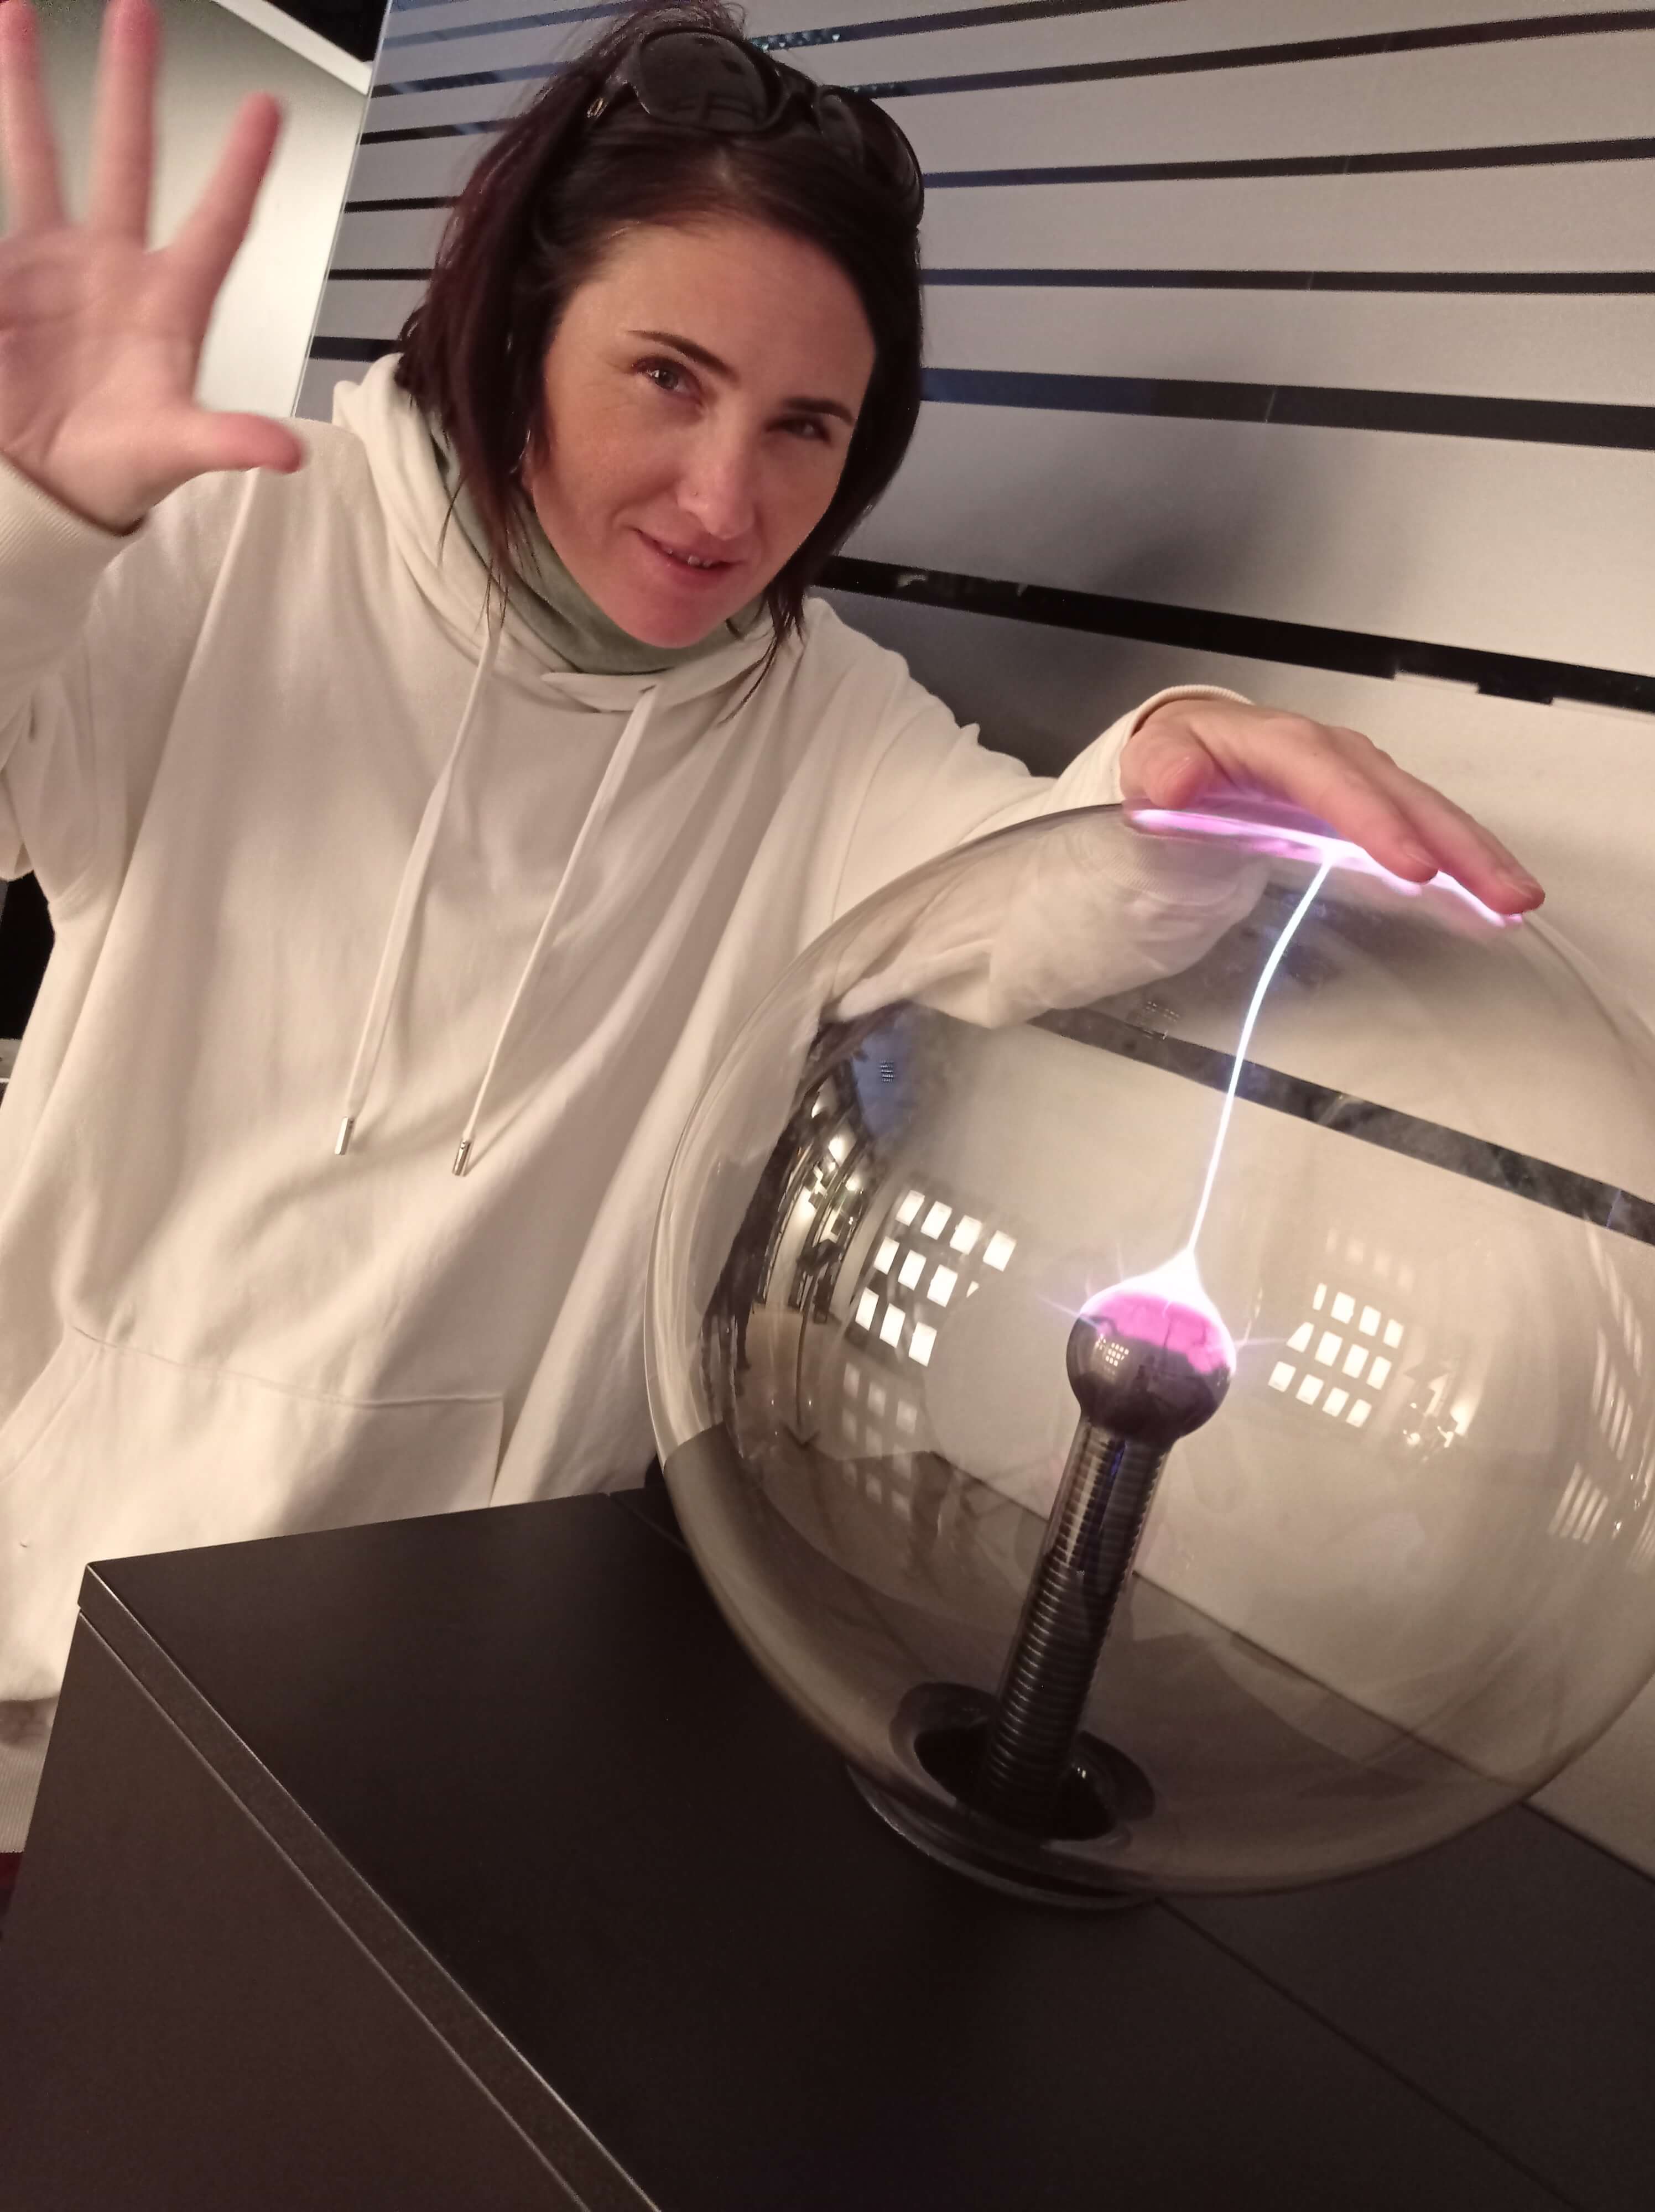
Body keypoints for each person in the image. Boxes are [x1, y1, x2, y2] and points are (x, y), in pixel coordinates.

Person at [0, 0, 1541, 1850]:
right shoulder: (245, 546)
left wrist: (1169, 773)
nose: (729, 500)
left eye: (806, 425)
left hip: (416, 1700)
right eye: (668, 376)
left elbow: (1020, 898)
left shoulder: (818, 721)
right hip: (37, 1621)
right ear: (518, 328)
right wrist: (34, 522)